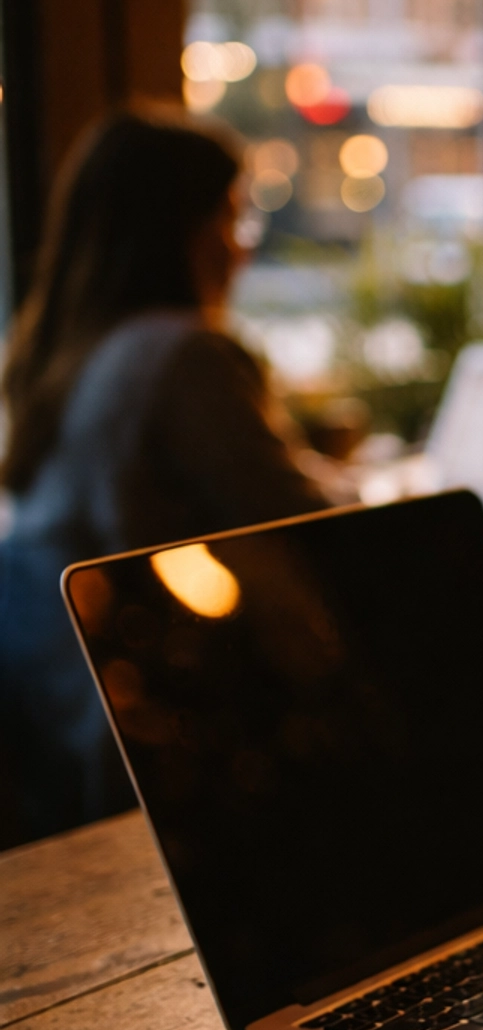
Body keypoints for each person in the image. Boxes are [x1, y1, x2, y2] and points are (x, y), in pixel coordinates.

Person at [0, 105, 330, 842]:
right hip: (146, 726)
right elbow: (311, 526)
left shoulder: (60, 356)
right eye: (230, 217)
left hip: (53, 713)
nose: (240, 249)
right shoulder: (184, 356)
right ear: (183, 229)